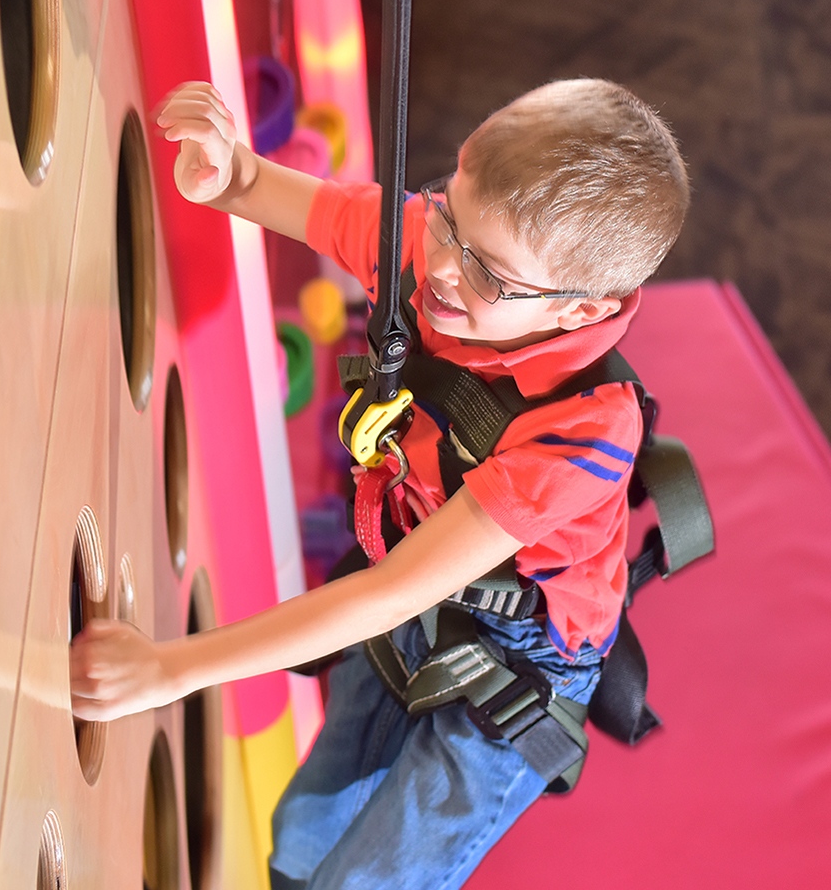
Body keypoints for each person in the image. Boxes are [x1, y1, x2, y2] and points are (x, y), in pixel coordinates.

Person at [71, 77, 690, 889]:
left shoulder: (582, 433)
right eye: (446, 212)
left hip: (514, 673)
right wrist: (226, 171)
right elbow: (261, 187)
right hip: (419, 588)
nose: (437, 267)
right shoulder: (440, 253)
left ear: (580, 313)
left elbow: (388, 593)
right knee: (301, 840)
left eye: (489, 276)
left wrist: (170, 670)